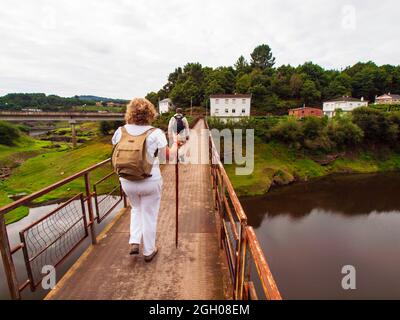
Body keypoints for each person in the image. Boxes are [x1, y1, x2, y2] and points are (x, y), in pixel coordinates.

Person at [112, 98, 177, 262]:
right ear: (150, 113)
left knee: (136, 208)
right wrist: (175, 144)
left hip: (126, 180)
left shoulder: (120, 131)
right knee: (149, 214)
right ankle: (149, 251)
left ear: (130, 112)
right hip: (150, 181)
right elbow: (166, 158)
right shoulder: (155, 133)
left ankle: (134, 241)